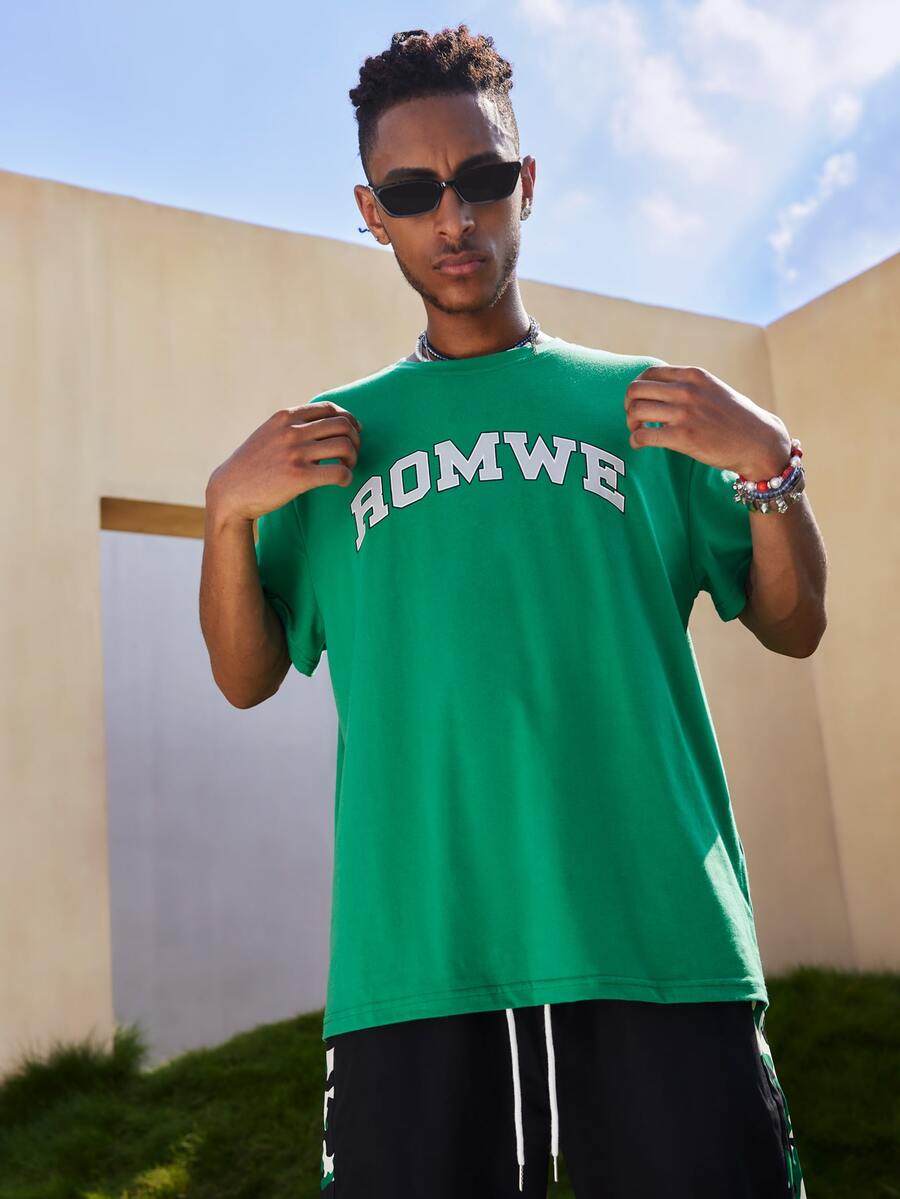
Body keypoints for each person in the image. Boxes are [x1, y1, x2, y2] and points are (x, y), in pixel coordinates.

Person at [201, 24, 824, 1199]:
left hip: (659, 940)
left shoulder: (649, 407)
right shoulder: (324, 446)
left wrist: (772, 468)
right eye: (413, 192)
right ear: (372, 211)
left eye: (482, 178)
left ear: (525, 182)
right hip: (417, 960)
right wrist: (225, 513)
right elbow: (246, 673)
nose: (454, 217)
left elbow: (796, 623)